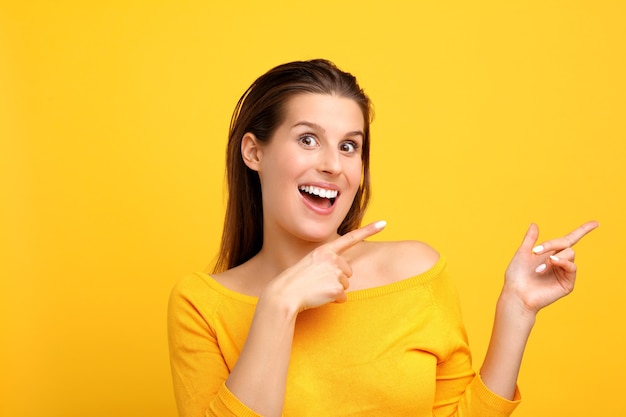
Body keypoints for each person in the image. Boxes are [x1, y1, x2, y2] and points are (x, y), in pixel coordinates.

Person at [167, 59, 598, 417]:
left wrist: (517, 310)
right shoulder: (201, 305)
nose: (333, 165)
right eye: (308, 139)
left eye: (349, 146)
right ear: (253, 152)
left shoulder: (417, 273)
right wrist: (279, 305)